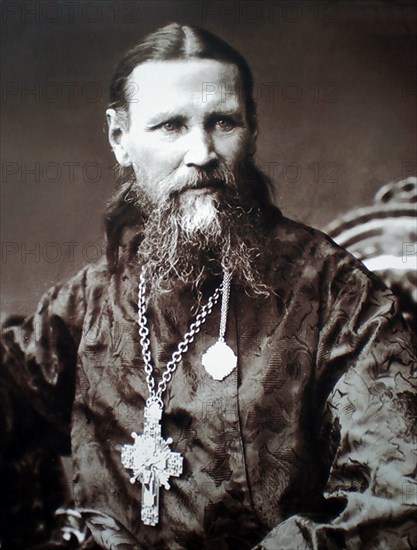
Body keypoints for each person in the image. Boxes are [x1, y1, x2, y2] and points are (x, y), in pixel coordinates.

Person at [1, 23, 416, 550]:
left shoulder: (338, 295)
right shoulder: (93, 298)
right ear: (119, 139)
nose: (201, 151)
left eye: (222, 122)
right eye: (170, 126)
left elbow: (394, 506)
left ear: (253, 129)